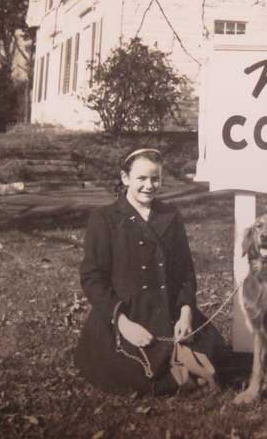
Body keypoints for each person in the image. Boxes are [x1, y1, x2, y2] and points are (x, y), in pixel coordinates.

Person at [74, 148, 225, 396]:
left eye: (155, 178)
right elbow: (92, 279)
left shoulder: (170, 216)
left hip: (169, 311)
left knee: (212, 363)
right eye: (141, 178)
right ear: (125, 178)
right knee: (136, 376)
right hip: (126, 313)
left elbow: (185, 271)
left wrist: (186, 313)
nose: (149, 185)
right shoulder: (104, 219)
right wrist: (123, 324)